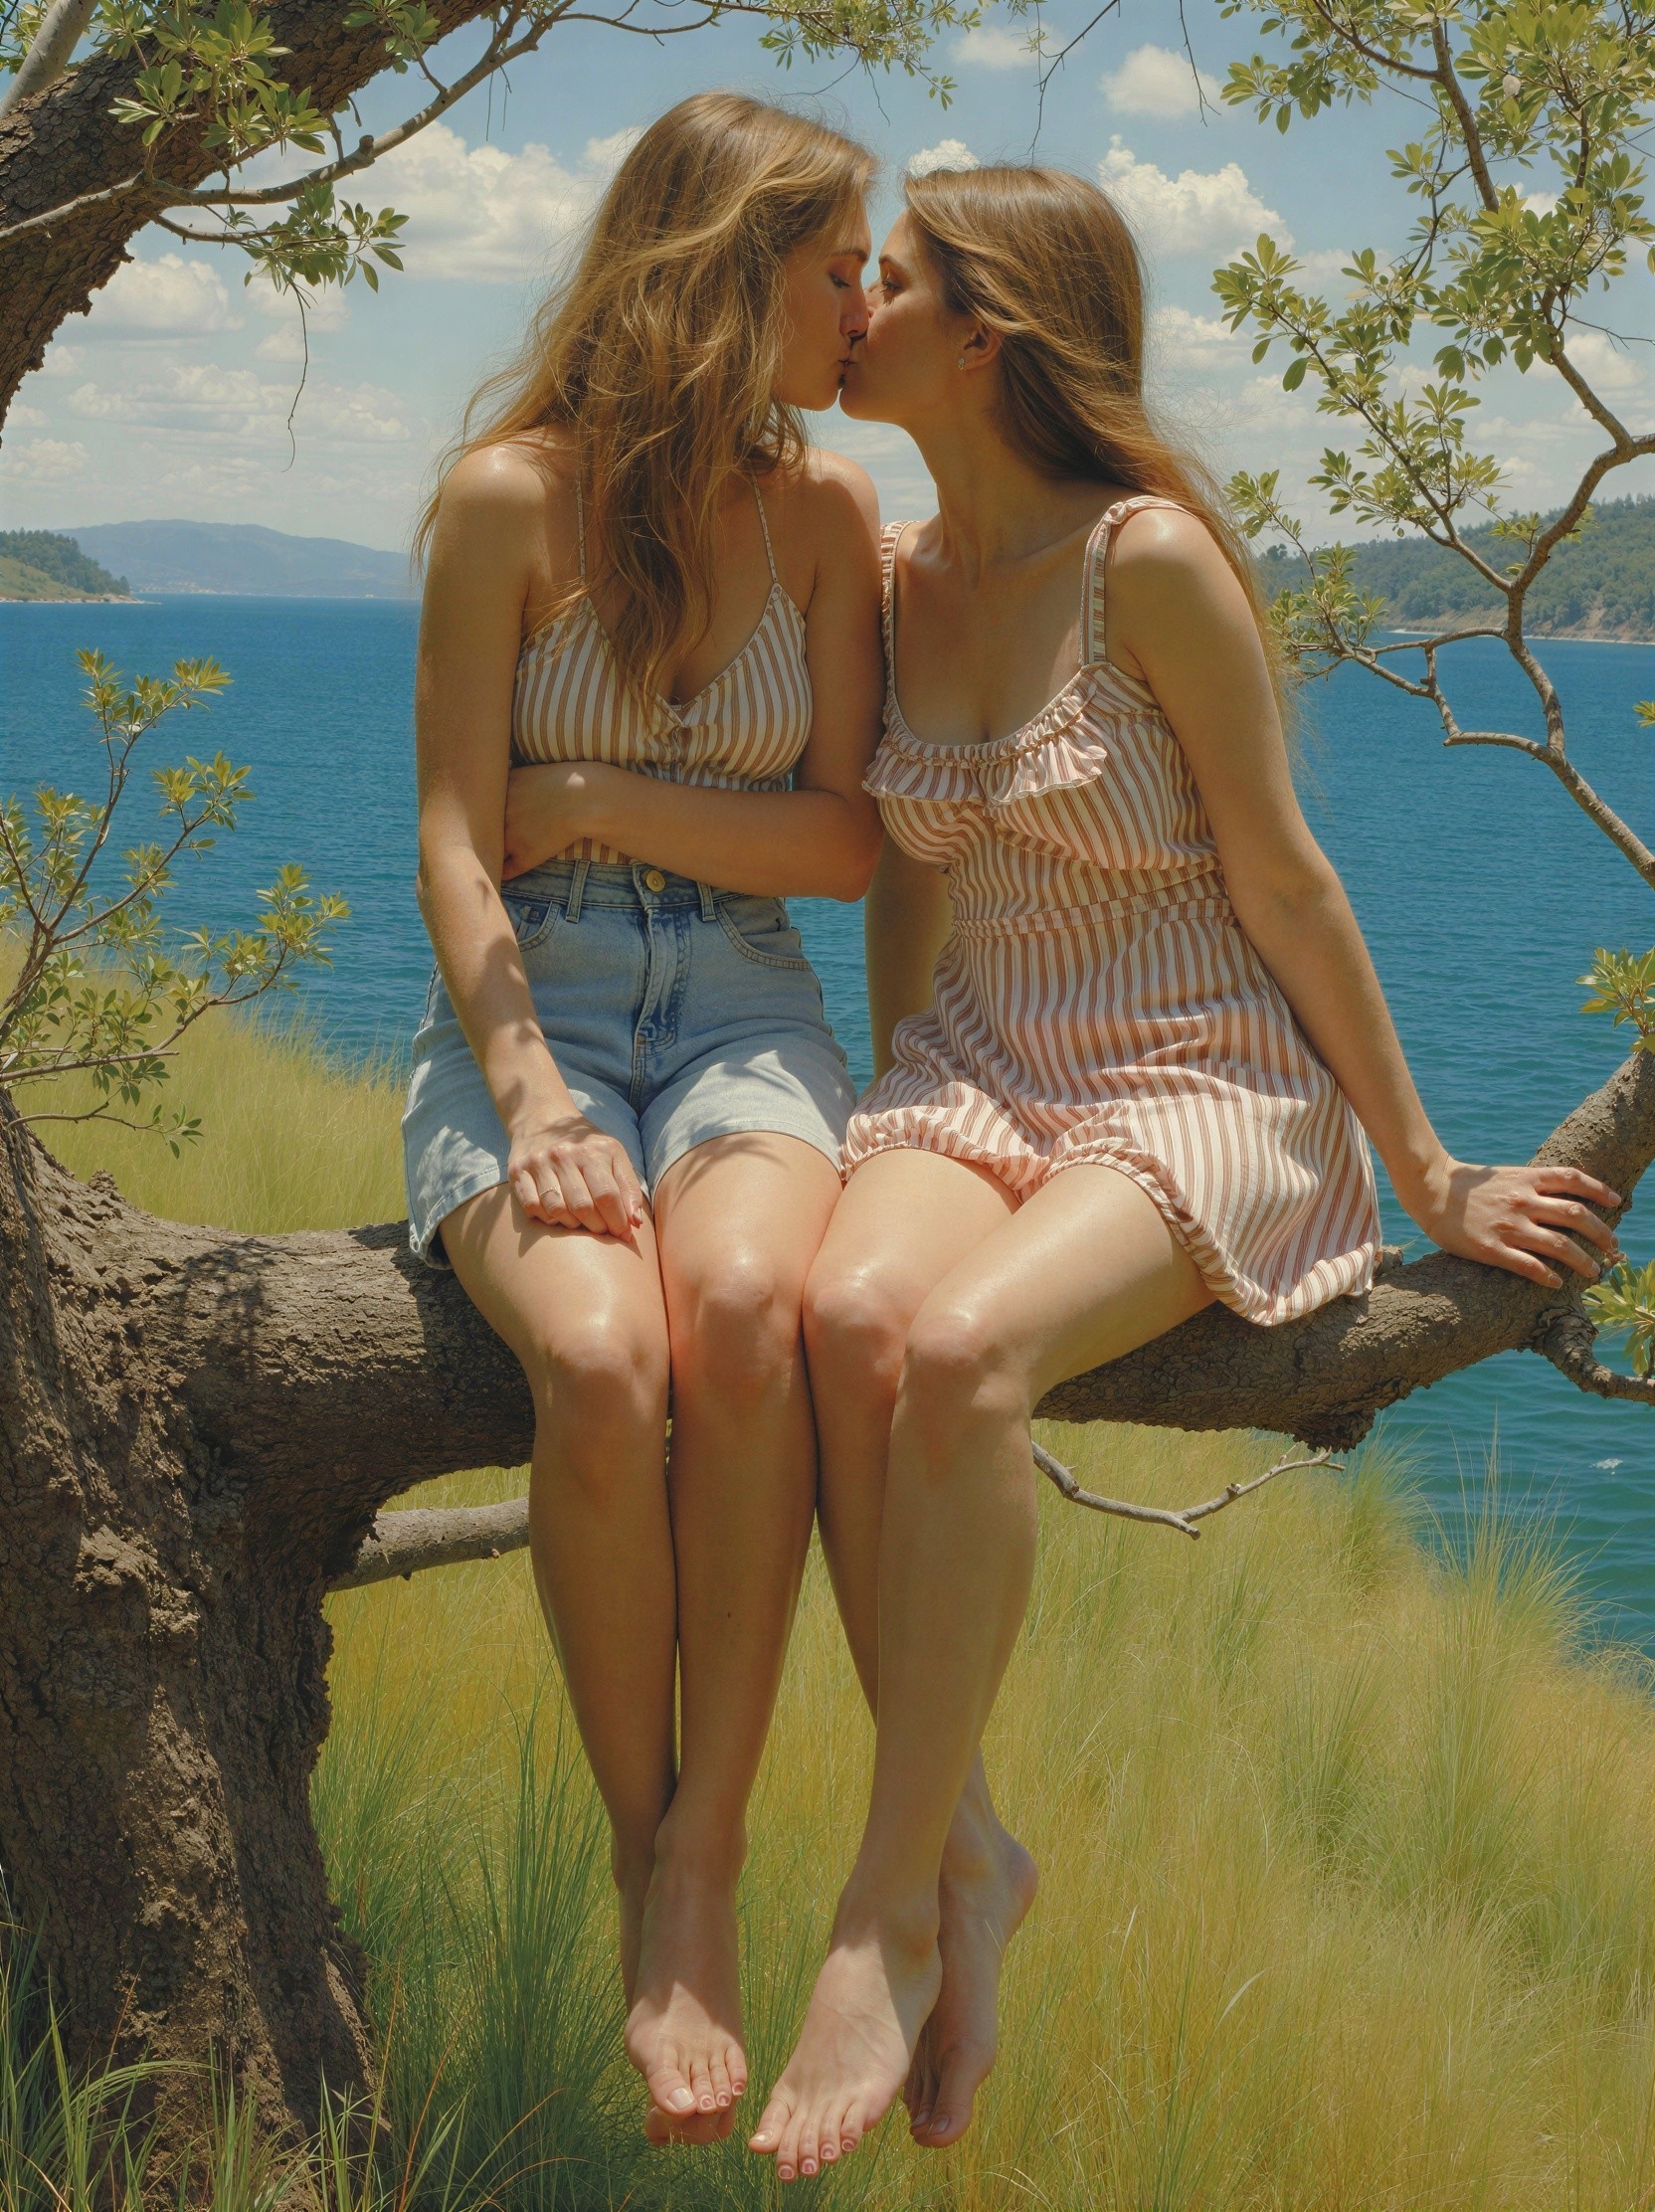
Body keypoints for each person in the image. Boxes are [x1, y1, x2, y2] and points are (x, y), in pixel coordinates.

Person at [747, 160, 1625, 2184]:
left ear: (988, 333)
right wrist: (899, 1084)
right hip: (977, 1065)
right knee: (841, 1306)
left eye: (889, 279)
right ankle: (972, 1849)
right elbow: (905, 867)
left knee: (956, 1355)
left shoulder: (1145, 560)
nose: (848, 305)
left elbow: (1286, 878)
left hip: (1198, 1072)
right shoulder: (886, 568)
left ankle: (877, 1909)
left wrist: (1428, 1167)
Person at [402, 92, 883, 2144]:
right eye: (838, 265)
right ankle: (644, 1845)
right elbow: (446, 833)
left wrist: (591, 795)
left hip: (750, 996)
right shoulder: (508, 500)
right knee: (601, 1356)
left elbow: (844, 838)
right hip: (543, 1002)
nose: (866, 307)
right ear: (725, 267)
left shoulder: (832, 515)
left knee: (753, 1305)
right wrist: (524, 1091)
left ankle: (716, 1849)